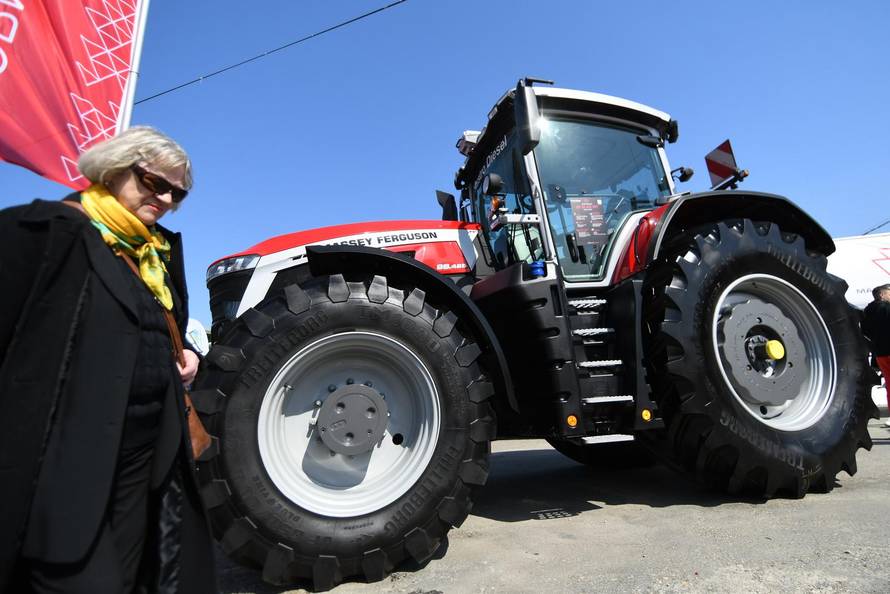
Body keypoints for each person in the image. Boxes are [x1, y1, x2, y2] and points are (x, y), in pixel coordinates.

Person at [0, 127, 217, 593]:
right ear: (115, 168)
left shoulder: (153, 254)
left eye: (176, 193)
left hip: (145, 454)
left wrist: (186, 355)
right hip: (69, 456)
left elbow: (160, 327)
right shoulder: (51, 229)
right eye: (152, 182)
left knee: (136, 572)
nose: (164, 198)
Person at [862, 283, 890, 427]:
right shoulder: (887, 308)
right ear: (882, 294)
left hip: (880, 354)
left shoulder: (867, 310)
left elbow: (865, 332)